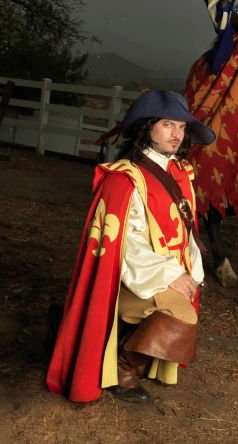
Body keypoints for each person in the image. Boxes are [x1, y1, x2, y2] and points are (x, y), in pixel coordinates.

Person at [46, 91, 215, 405]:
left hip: (168, 273)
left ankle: (111, 340)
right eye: (168, 125)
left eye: (181, 126)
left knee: (183, 306)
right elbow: (125, 245)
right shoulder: (125, 179)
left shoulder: (181, 173)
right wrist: (169, 276)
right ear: (147, 127)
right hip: (131, 278)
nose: (177, 134)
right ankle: (123, 367)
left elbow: (187, 232)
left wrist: (193, 272)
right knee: (181, 317)